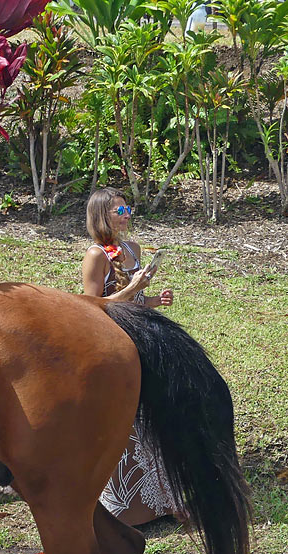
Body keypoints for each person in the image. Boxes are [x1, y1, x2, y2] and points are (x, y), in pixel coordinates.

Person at [81, 187, 181, 527]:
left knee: (157, 413)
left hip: (145, 336)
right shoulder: (96, 256)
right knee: (130, 420)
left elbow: (134, 302)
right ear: (101, 216)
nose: (125, 217)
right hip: (117, 343)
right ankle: (127, 507)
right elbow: (93, 307)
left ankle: (162, 500)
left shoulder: (132, 248)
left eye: (127, 210)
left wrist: (153, 300)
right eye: (118, 211)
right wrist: (133, 289)